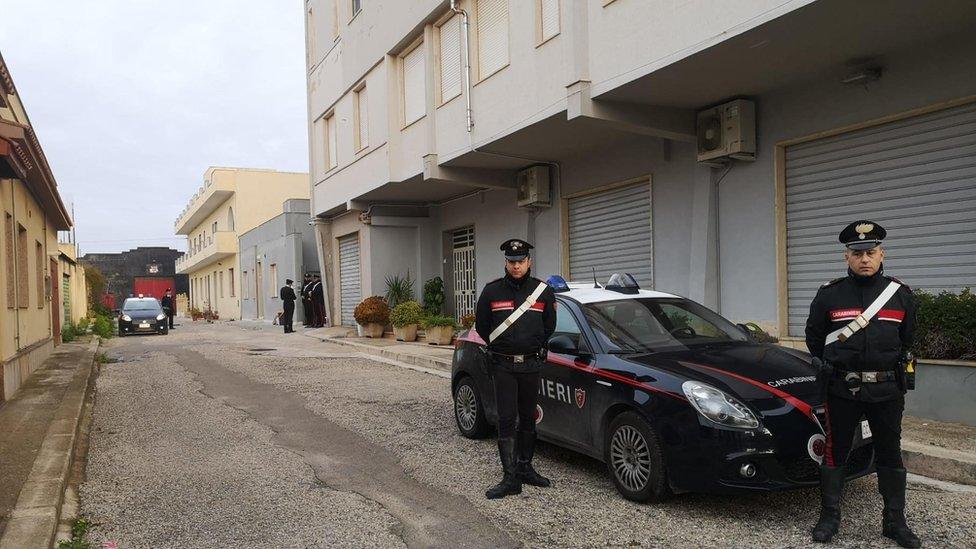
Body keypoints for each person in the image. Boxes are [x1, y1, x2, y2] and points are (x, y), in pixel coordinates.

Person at [805, 220, 919, 548]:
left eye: (871, 252)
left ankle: (894, 521)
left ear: (882, 254)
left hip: (887, 390)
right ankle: (829, 516)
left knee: (889, 453)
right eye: (857, 253)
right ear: (847, 258)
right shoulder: (830, 295)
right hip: (843, 389)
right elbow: (815, 339)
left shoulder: (899, 296)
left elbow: (907, 339)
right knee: (835, 451)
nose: (864, 259)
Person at [474, 238, 556, 499]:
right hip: (503, 366)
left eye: (521, 261)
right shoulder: (491, 292)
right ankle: (510, 478)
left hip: (531, 364)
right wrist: (504, 347)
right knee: (507, 419)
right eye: (512, 262)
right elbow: (482, 327)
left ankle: (525, 468)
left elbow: (549, 326)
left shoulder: (543, 292)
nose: (516, 266)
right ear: (506, 263)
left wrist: (532, 345)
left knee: (529, 416)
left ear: (529, 262)